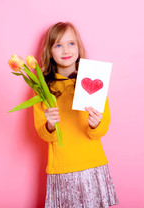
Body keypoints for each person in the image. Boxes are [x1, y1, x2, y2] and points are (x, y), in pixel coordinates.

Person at [33, 22, 119, 207]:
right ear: (50, 50)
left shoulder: (94, 79)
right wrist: (49, 124)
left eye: (71, 43)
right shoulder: (43, 88)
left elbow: (101, 128)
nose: (65, 50)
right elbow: (43, 132)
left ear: (79, 47)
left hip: (92, 163)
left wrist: (96, 123)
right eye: (58, 45)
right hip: (62, 166)